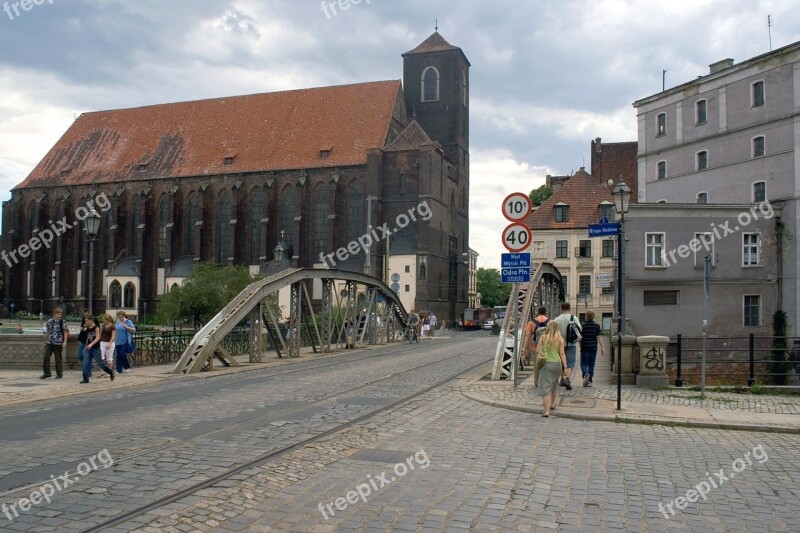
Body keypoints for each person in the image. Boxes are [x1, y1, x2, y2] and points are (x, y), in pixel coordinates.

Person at [536, 321, 568, 417]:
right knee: (554, 385)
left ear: (548, 327)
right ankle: (552, 404)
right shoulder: (560, 339)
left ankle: (546, 410)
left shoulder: (543, 337)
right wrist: (565, 367)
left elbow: (537, 350)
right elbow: (562, 354)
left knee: (546, 387)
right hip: (557, 364)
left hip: (546, 364)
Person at [553, 302, 582, 390]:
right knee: (570, 362)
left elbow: (553, 331)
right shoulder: (573, 318)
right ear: (569, 308)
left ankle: (561, 379)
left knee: (561, 361)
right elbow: (580, 328)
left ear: (561, 309)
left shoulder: (557, 319)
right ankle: (567, 379)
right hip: (571, 343)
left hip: (559, 343)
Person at [80, 316, 114, 383]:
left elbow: (98, 337)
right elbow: (87, 337)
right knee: (85, 363)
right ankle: (85, 379)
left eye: (86, 320)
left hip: (95, 348)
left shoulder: (96, 328)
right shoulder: (87, 328)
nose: (85, 322)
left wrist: (91, 344)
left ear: (91, 320)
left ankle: (110, 372)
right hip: (88, 348)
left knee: (101, 364)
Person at [523, 307, 549, 383]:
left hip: (535, 347)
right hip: (547, 347)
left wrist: (525, 347)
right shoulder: (550, 322)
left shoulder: (531, 322)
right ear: (546, 312)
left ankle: (537, 382)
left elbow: (527, 335)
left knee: (536, 365)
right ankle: (545, 381)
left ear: (538, 312)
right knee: (546, 364)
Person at [579, 310, 604, 387]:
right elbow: (599, 337)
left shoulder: (582, 326)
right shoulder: (596, 325)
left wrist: (580, 346)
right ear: (593, 316)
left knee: (583, 363)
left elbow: (580, 338)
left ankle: (585, 374)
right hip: (593, 347)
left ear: (586, 316)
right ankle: (589, 381)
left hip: (584, 347)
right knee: (591, 364)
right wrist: (602, 347)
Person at [42, 308, 69, 379]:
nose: (60, 316)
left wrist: (65, 341)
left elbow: (65, 332)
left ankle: (59, 374)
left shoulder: (62, 322)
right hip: (50, 342)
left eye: (60, 314)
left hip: (58, 343)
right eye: (58, 314)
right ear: (54, 314)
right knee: (46, 357)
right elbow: (47, 332)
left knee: (58, 359)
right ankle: (47, 373)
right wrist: (45, 342)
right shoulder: (49, 321)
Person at [77, 308, 96, 379]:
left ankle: (88, 371)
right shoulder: (84, 319)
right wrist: (82, 328)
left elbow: (95, 329)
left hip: (89, 340)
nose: (85, 317)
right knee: (80, 355)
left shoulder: (94, 320)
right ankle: (89, 366)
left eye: (86, 315)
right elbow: (82, 327)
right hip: (83, 339)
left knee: (88, 356)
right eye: (84, 315)